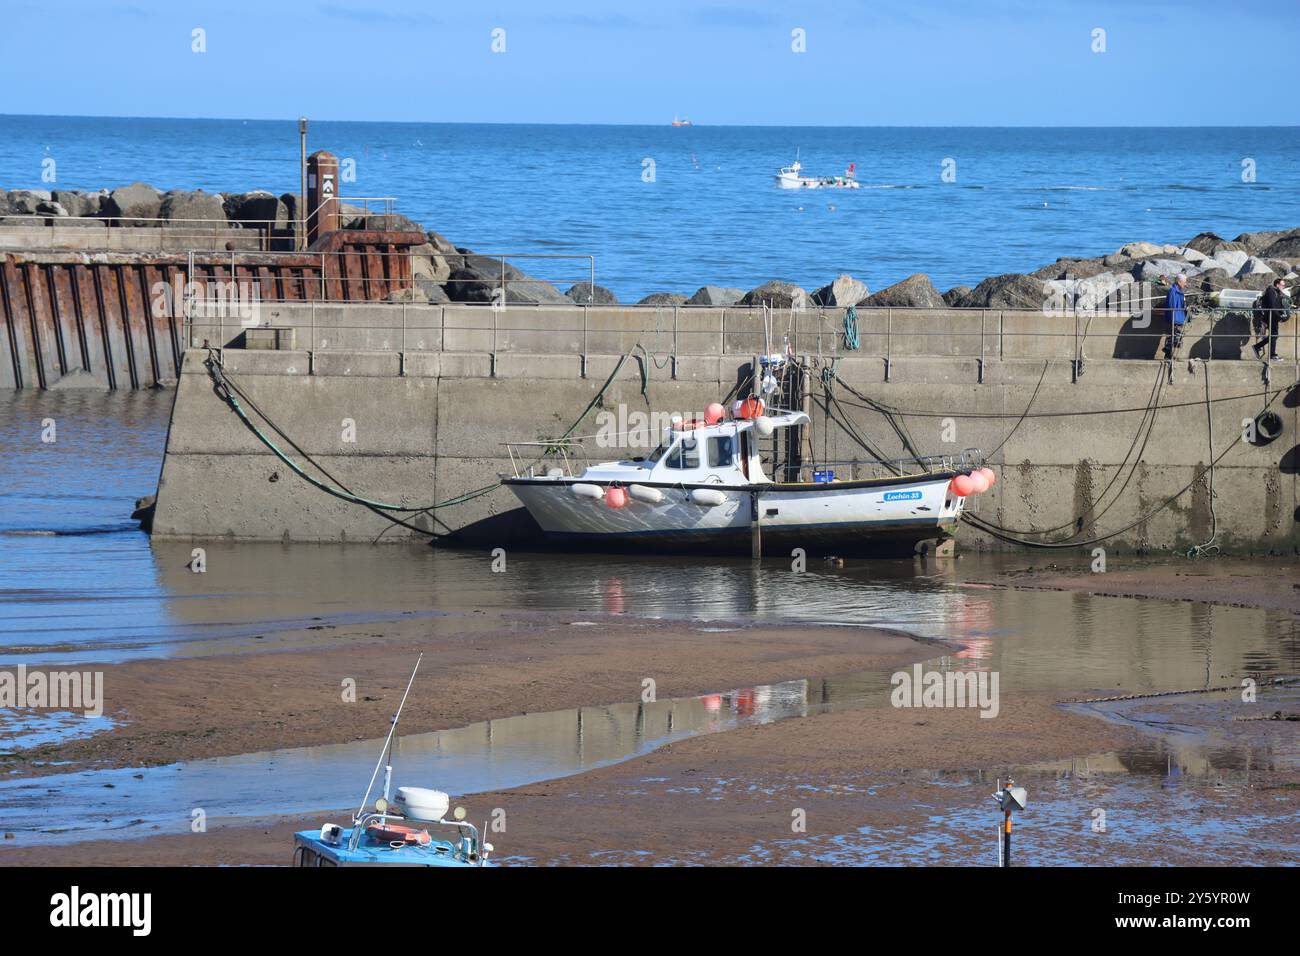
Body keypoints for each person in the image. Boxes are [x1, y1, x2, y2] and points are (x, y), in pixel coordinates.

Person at [1253, 278, 1289, 361]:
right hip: (1269, 316)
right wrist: (1279, 316)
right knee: (1274, 335)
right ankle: (1272, 355)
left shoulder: (1276, 292)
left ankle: (1258, 347)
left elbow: (1279, 305)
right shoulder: (1271, 292)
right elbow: (1272, 306)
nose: (1283, 287)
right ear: (1277, 285)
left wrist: (1283, 315)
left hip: (1273, 317)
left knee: (1274, 335)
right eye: (1282, 285)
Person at [1162, 274, 1187, 359]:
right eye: (1184, 282)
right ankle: (1169, 356)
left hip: (1179, 318)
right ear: (1179, 282)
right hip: (1175, 319)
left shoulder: (1180, 292)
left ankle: (1173, 356)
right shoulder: (1173, 291)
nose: (1185, 284)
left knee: (1177, 339)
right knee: (1173, 338)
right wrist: (1173, 318)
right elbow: (1171, 305)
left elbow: (1183, 305)